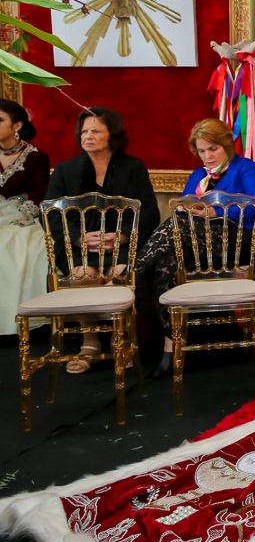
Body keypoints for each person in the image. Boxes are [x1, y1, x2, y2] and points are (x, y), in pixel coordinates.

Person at [135, 118, 255, 378]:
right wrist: (191, 210)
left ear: (226, 145)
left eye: (213, 149)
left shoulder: (246, 168)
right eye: (201, 151)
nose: (207, 156)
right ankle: (170, 346)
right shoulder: (198, 175)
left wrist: (214, 212)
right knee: (165, 262)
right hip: (201, 247)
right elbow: (182, 211)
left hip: (241, 242)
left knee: (176, 228)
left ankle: (136, 269)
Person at [45, 107, 159, 373]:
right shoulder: (64, 169)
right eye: (84, 131)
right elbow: (50, 215)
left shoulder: (133, 167)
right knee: (84, 276)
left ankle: (120, 339)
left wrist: (123, 236)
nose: (88, 136)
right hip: (77, 247)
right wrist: (78, 238)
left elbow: (150, 213)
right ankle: (90, 342)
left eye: (96, 131)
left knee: (118, 275)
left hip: (123, 245)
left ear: (113, 134)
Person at [0, 99, 50, 337]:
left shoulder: (36, 157)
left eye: (0, 120)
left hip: (24, 218)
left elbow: (39, 197)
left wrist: (11, 217)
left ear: (17, 125)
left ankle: (16, 321)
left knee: (11, 243)